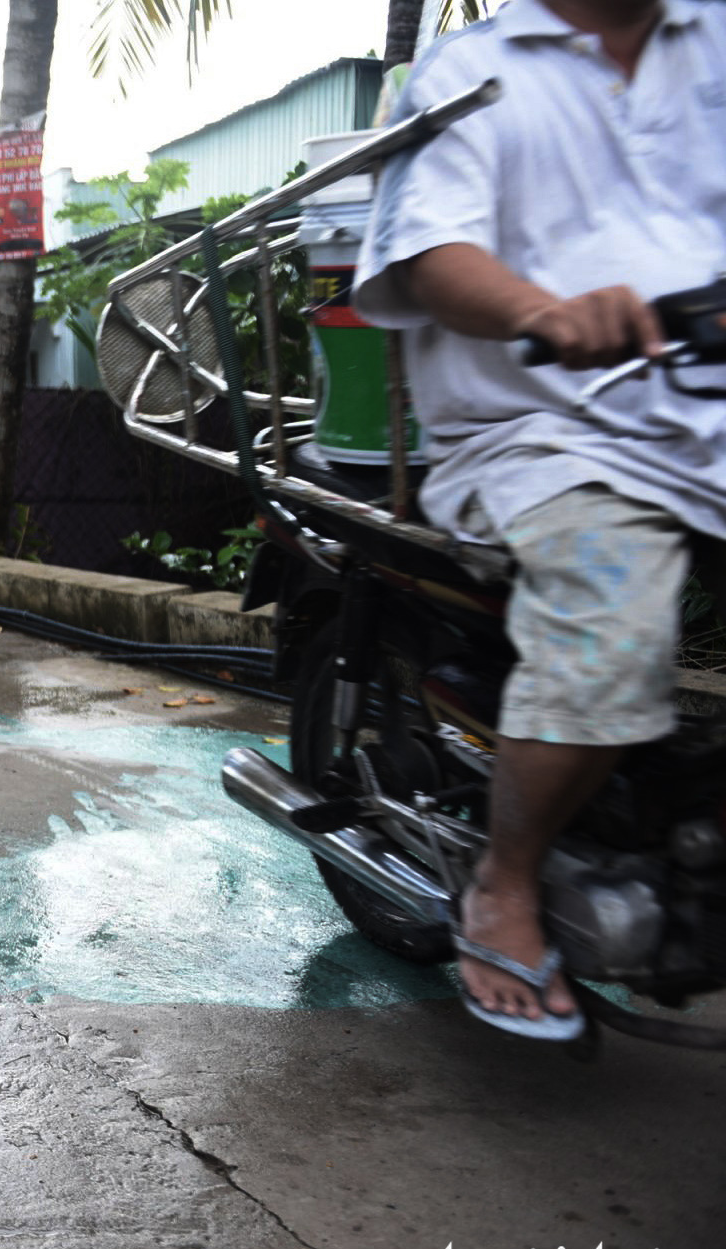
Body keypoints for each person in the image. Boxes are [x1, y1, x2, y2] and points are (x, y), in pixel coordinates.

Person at [354, 0, 726, 1039]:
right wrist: (540, 311)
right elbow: (431, 254)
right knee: (609, 615)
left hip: (707, 416)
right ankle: (505, 883)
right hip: (551, 429)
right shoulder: (468, 74)